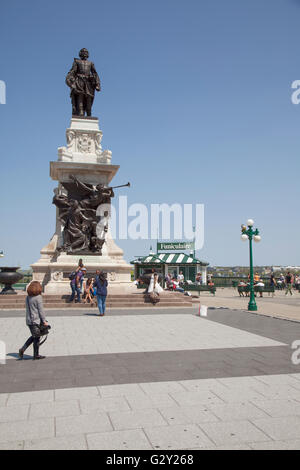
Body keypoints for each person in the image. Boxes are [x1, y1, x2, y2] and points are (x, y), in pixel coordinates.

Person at [18, 281, 49, 360]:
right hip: (35, 320)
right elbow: (41, 310)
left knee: (35, 336)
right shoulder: (38, 297)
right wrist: (44, 321)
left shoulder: (28, 297)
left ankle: (29, 352)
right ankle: (32, 353)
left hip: (29, 320)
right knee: (36, 337)